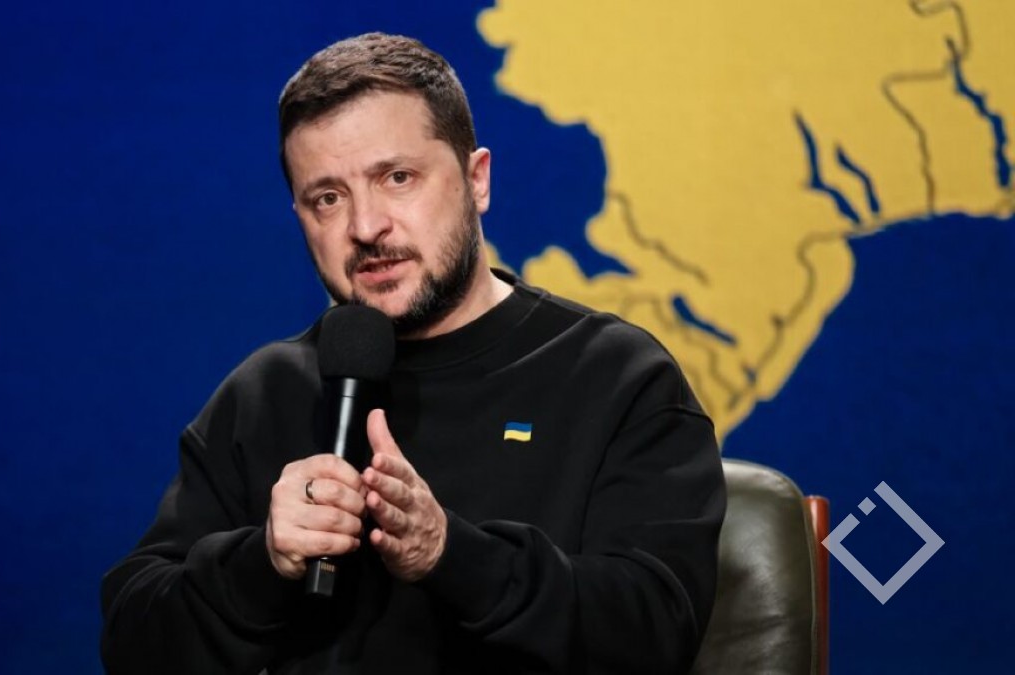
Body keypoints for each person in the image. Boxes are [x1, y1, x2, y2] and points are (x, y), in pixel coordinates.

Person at [101, 33, 726, 674]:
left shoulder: (616, 377)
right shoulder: (268, 392)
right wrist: (262, 563)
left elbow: (654, 632)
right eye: (328, 198)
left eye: (397, 178)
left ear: (477, 180)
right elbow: (133, 642)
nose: (365, 227)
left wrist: (450, 553)